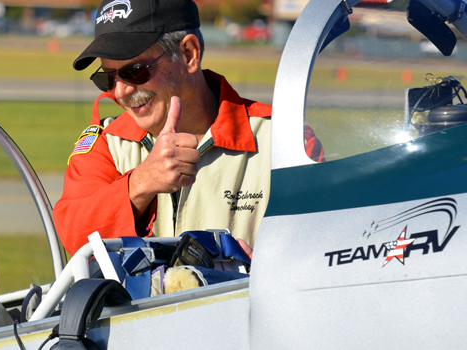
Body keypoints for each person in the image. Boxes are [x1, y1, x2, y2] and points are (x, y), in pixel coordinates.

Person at [53, 0, 324, 255]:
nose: (120, 91)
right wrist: (140, 184)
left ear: (189, 54)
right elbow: (74, 237)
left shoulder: (284, 140)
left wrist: (264, 271)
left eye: (135, 71)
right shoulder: (108, 143)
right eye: (107, 78)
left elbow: (322, 248)